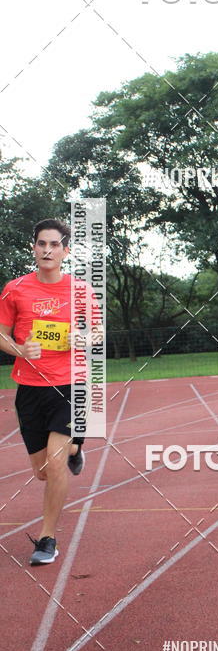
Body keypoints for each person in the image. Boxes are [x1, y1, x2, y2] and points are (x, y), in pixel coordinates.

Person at [0, 219, 96, 566]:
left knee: (55, 468)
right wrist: (20, 350)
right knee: (41, 471)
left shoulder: (81, 291)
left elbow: (97, 333)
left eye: (54, 245)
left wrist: (84, 339)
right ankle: (75, 445)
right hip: (29, 389)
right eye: (42, 244)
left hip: (69, 386)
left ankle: (47, 538)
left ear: (65, 251)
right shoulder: (15, 290)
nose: (47, 250)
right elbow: (1, 334)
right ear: (34, 248)